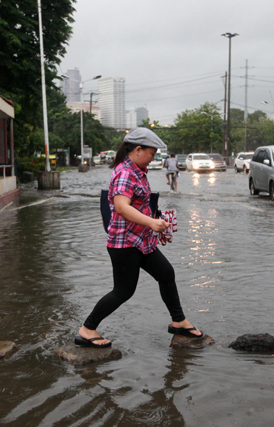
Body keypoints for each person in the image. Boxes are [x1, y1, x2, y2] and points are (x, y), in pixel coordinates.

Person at [75, 128, 202, 349]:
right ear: (138, 149)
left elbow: (138, 204)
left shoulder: (138, 171)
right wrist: (151, 223)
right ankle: (87, 329)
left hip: (142, 240)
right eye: (151, 154)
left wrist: (156, 218)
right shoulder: (125, 172)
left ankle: (178, 321)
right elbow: (122, 208)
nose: (153, 158)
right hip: (124, 242)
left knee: (166, 273)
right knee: (123, 291)